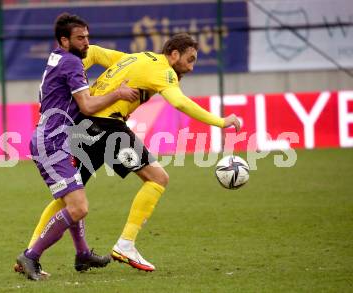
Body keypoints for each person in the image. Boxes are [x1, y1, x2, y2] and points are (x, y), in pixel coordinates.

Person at [24, 33, 241, 272]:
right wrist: (221, 122)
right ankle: (125, 244)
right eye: (190, 59)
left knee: (68, 195)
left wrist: (67, 77)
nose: (191, 67)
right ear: (175, 54)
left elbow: (94, 52)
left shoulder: (135, 58)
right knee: (158, 178)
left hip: (83, 124)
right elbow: (180, 103)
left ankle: (29, 255)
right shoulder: (163, 71)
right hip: (107, 127)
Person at [15, 13, 139, 281]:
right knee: (78, 207)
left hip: (58, 139)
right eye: (80, 38)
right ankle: (31, 256)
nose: (86, 43)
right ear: (64, 40)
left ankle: (82, 254)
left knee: (74, 195)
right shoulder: (71, 62)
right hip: (51, 142)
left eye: (87, 37)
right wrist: (118, 94)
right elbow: (87, 106)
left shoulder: (58, 57)